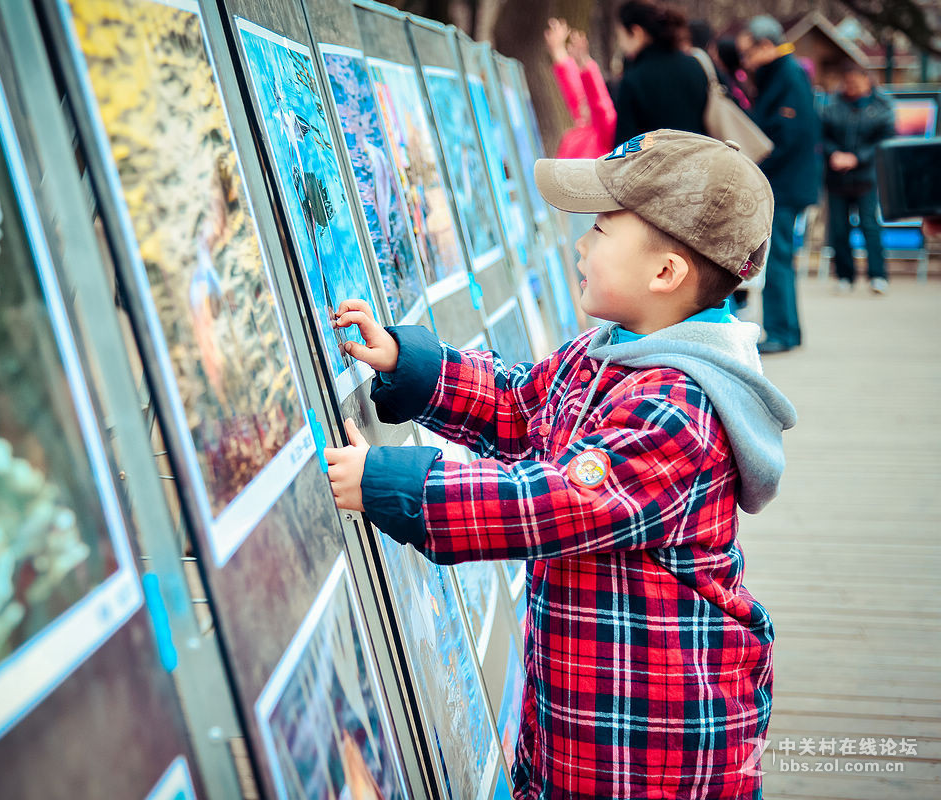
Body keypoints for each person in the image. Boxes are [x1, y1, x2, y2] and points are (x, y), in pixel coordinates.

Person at [324, 130, 796, 799]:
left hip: (653, 741)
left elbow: (552, 503)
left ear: (665, 274)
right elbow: (521, 407)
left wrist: (393, 483)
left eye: (601, 229)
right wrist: (415, 367)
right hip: (583, 715)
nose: (579, 243)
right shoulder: (608, 350)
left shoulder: (679, 410)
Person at [737, 15, 821, 354]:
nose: (745, 62)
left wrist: (758, 166)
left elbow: (788, 135)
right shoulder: (784, 74)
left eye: (748, 53)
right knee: (782, 257)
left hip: (785, 184)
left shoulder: (786, 75)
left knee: (780, 257)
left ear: (766, 45)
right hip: (788, 182)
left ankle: (781, 331)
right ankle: (787, 330)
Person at [821, 61, 897, 294]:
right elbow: (822, 135)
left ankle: (878, 275)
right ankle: (845, 276)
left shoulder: (882, 107)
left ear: (867, 81)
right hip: (836, 179)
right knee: (839, 229)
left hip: (866, 178)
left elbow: (883, 140)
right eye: (847, 82)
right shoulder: (832, 106)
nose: (851, 87)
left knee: (870, 226)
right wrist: (834, 154)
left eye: (855, 82)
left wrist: (856, 158)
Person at [611, 0, 708, 144]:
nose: (621, 44)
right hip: (700, 160)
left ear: (636, 32)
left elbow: (625, 146)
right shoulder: (695, 65)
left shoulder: (634, 79)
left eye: (620, 35)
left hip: (655, 165)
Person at [544, 18, 616, 158]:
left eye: (587, 100)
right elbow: (572, 86)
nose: (583, 102)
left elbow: (599, 103)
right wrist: (558, 50)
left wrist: (586, 64)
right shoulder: (583, 123)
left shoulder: (605, 133)